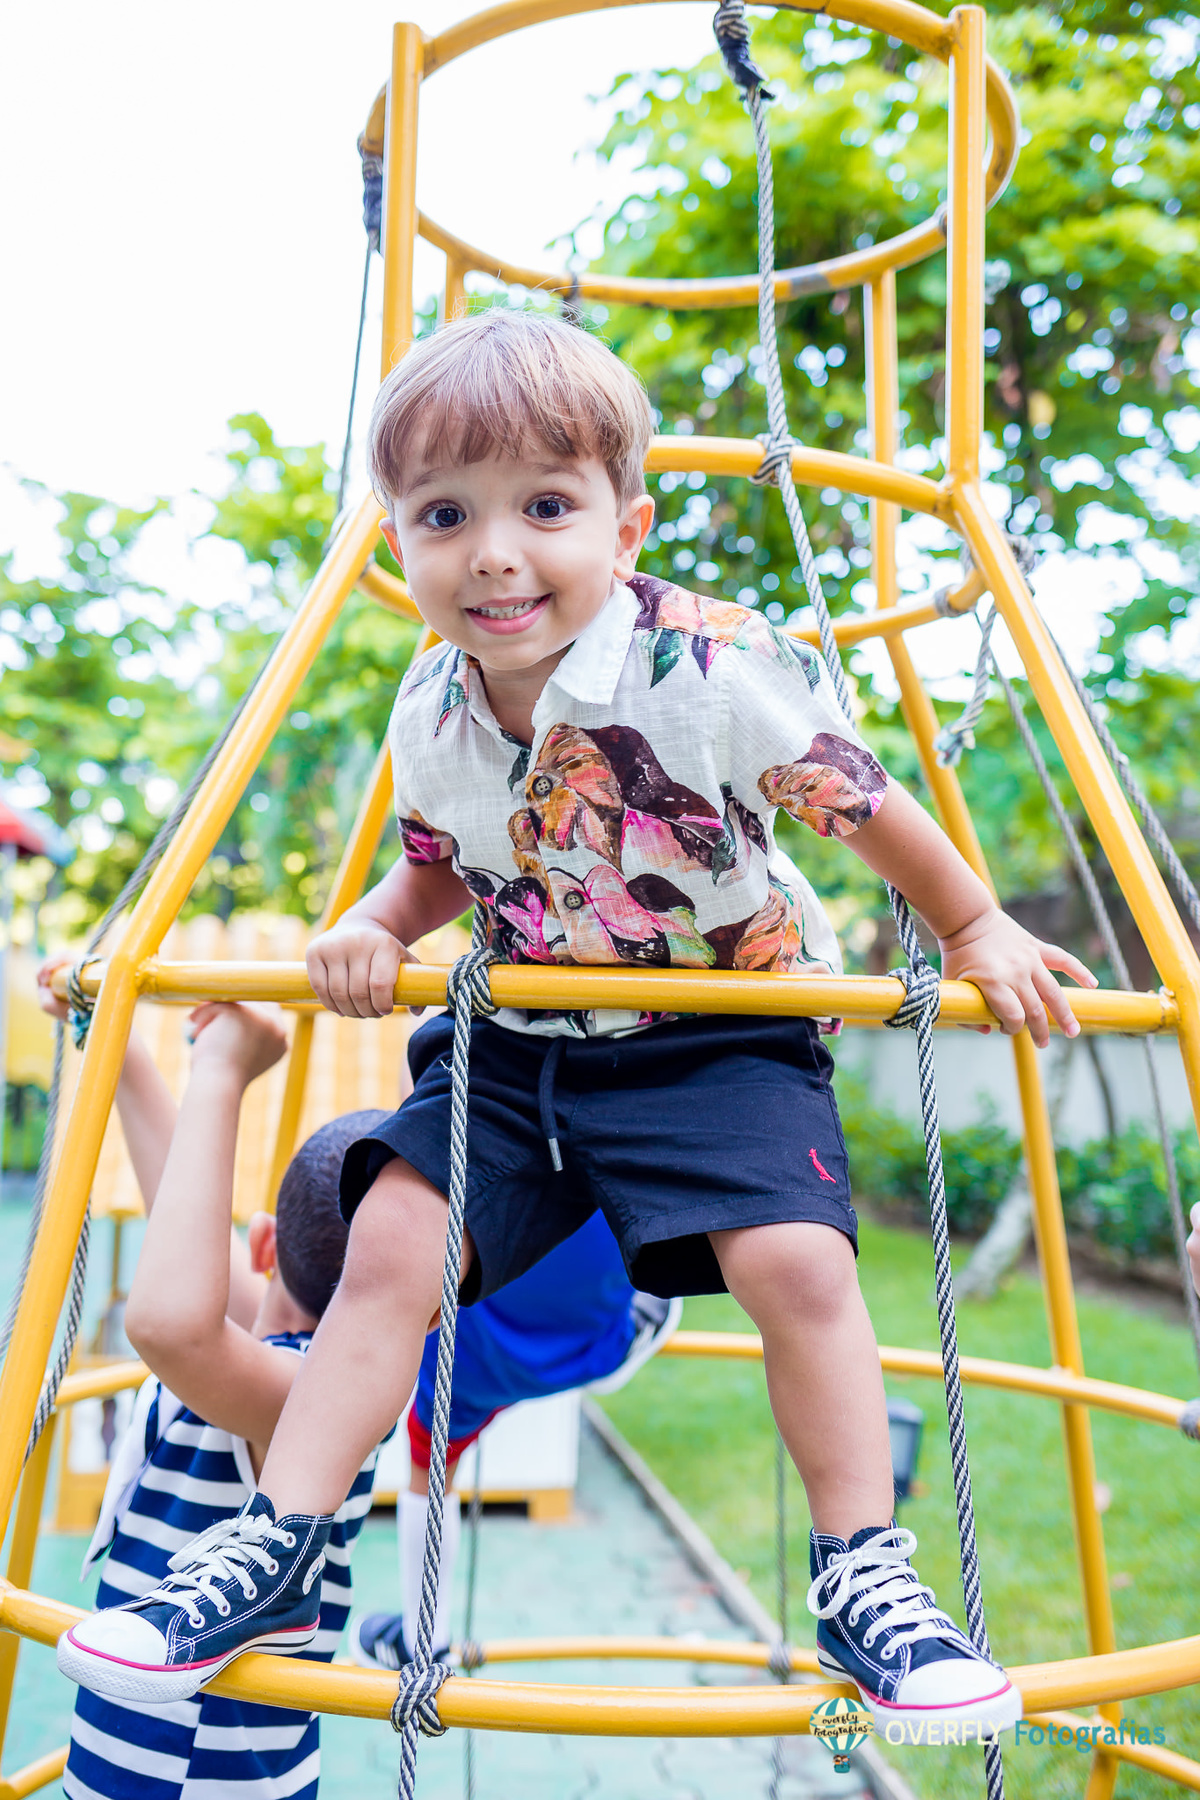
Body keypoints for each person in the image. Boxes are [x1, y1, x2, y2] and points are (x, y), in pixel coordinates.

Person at [60, 309, 1096, 1740]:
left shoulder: (707, 664)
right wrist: (374, 923)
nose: (495, 551)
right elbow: (443, 859)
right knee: (391, 1251)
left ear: (627, 525)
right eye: (447, 514)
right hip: (525, 1036)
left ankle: (867, 1578)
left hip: (714, 1025)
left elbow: (861, 801)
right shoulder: (432, 702)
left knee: (798, 1263)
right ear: (396, 546)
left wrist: (973, 925)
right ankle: (278, 1539)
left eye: (545, 507)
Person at [47, 980, 386, 1798]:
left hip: (200, 1778)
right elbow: (181, 1219)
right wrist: (120, 1049)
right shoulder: (286, 1359)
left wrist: (223, 1072)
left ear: (265, 1243)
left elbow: (172, 1324)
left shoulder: (314, 1392)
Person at [351, 1213, 679, 1670]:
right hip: (588, 1334)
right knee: (646, 1210)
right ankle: (620, 1341)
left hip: (473, 1346)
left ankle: (425, 1636)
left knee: (430, 1466)